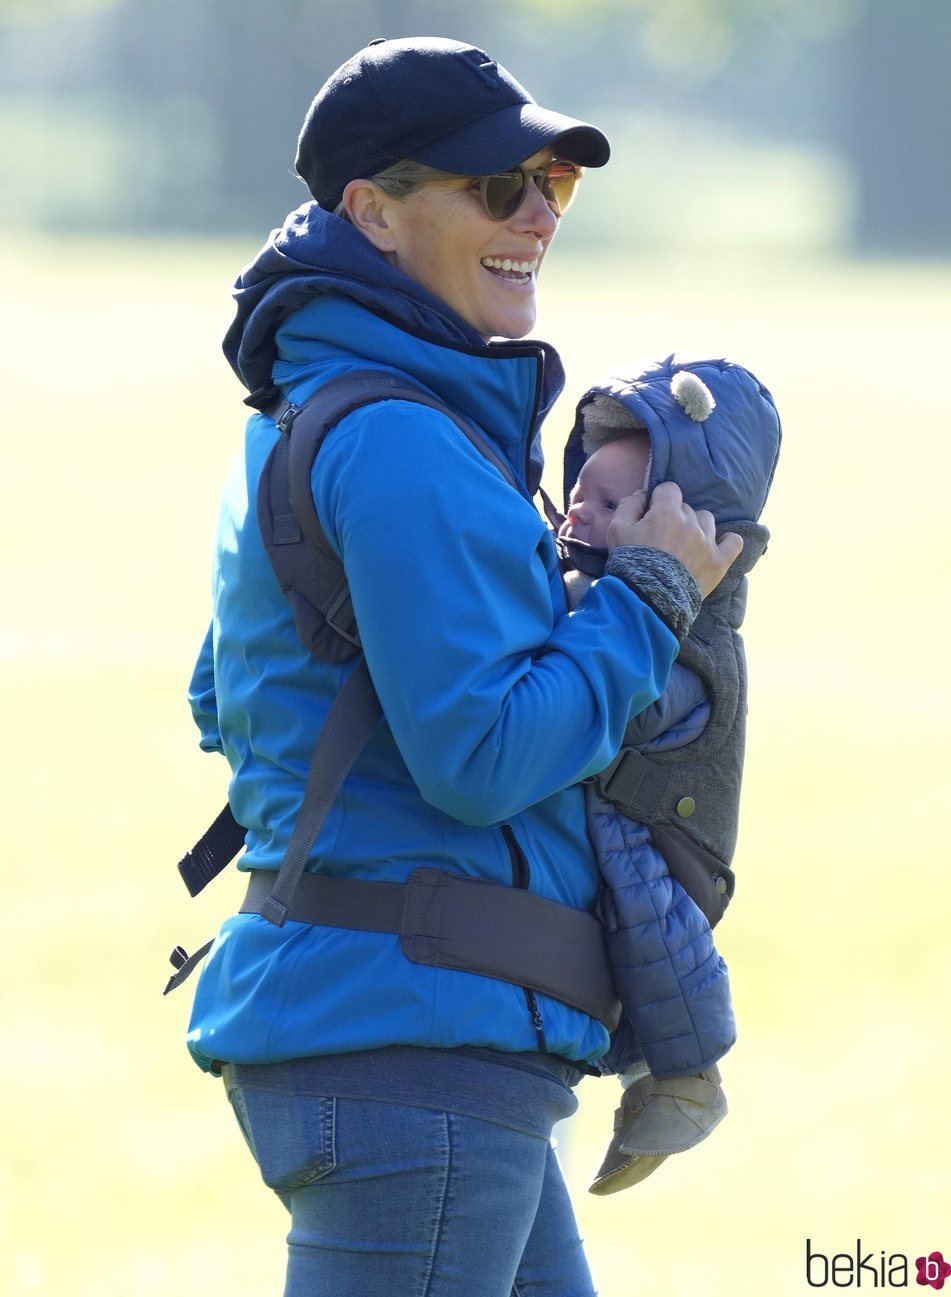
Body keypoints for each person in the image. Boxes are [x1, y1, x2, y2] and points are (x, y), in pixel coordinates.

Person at [185, 36, 742, 1297]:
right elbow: (483, 756)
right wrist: (649, 596)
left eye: (552, 181)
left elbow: (224, 696)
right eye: (497, 188)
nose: (538, 213)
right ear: (372, 214)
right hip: (412, 1050)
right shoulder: (399, 440)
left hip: (411, 1038)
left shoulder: (325, 405)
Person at [555, 357, 782, 1194]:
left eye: (612, 507)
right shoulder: (594, 580)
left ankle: (684, 1070)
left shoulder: (692, 629)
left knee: (646, 905)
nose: (581, 509)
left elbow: (627, 711)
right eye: (582, 490)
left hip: (661, 822)